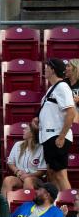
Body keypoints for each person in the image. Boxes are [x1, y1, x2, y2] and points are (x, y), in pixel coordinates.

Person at [36, 58, 77, 192]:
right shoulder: (53, 88)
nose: (44, 69)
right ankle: (58, 206)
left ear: (53, 70)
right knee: (52, 173)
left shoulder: (62, 87)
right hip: (49, 136)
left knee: (60, 174)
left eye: (47, 67)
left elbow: (71, 112)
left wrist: (61, 136)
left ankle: (71, 208)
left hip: (56, 136)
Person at [2, 121, 45, 198]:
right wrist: (17, 171)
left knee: (28, 180)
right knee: (7, 180)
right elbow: (10, 162)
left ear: (32, 133)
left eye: (26, 129)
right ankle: (6, 207)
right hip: (20, 177)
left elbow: (42, 171)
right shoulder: (18, 144)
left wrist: (28, 175)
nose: (23, 130)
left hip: (35, 179)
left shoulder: (41, 148)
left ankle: (28, 208)